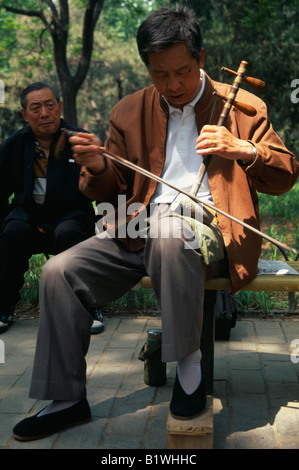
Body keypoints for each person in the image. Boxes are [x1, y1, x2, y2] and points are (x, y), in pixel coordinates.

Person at [13, 6, 298, 441]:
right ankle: (67, 398)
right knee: (58, 272)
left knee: (169, 230)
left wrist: (244, 149)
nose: (173, 85)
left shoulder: (242, 104)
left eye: (182, 71)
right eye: (159, 74)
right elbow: (112, 190)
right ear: (147, 68)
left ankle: (188, 371)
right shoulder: (129, 110)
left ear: (200, 58)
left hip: (211, 230)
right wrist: (97, 166)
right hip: (137, 229)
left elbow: (286, 174)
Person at [0, 82, 104, 335]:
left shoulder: (79, 140)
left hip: (71, 214)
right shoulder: (16, 144)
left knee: (70, 232)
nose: (44, 113)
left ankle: (87, 307)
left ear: (59, 107)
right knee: (13, 232)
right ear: (25, 114)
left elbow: (101, 183)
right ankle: (4, 306)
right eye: (36, 108)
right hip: (28, 214)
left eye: (49, 105)